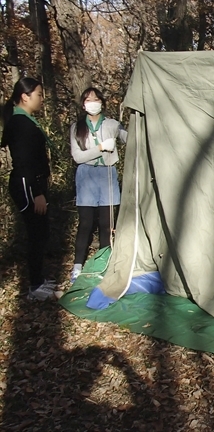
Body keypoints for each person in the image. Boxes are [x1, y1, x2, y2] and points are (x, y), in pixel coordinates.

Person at [1, 77, 58, 300]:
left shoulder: (26, 120)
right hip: (27, 184)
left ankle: (40, 279)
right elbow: (25, 162)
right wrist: (37, 193)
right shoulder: (21, 123)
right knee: (36, 233)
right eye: (39, 95)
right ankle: (34, 287)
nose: (42, 99)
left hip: (33, 181)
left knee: (41, 232)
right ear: (25, 96)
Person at [70, 87, 127, 282]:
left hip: (108, 175)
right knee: (85, 223)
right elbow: (78, 156)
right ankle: (77, 267)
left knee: (107, 224)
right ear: (83, 104)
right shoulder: (76, 127)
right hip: (86, 175)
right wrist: (101, 148)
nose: (92, 102)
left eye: (96, 98)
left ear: (102, 102)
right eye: (88, 99)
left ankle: (104, 265)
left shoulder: (112, 124)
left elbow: (129, 138)